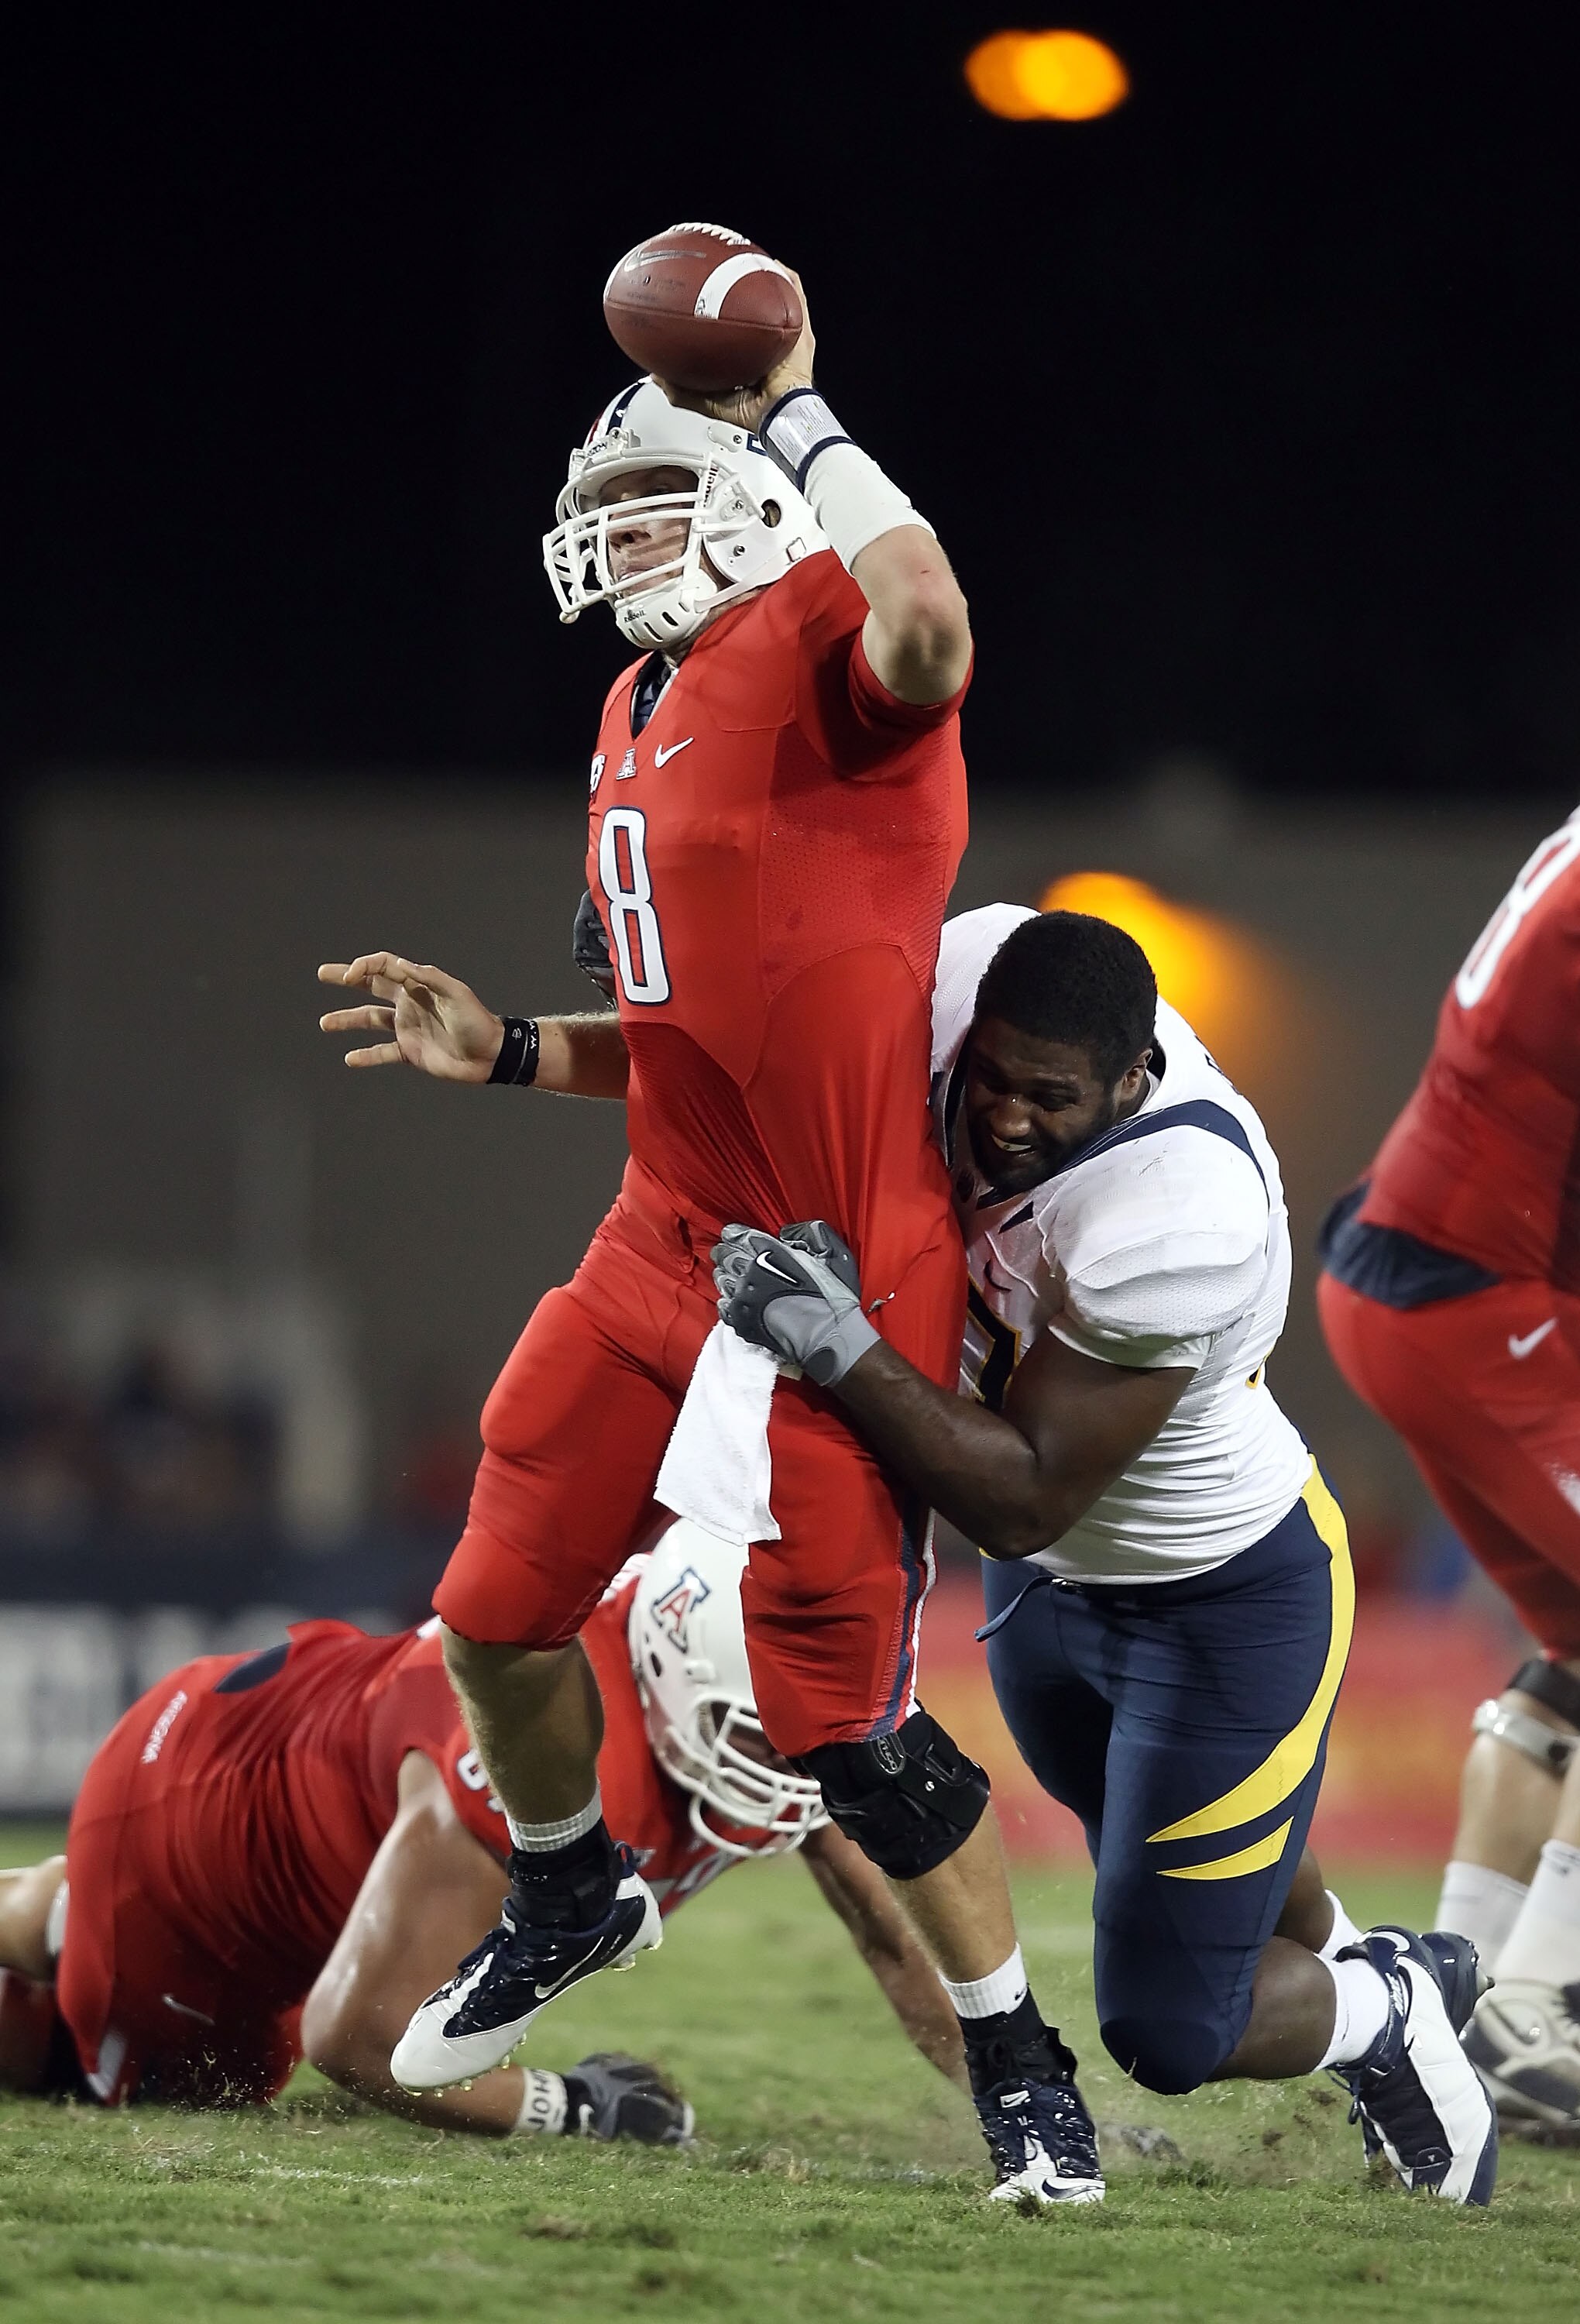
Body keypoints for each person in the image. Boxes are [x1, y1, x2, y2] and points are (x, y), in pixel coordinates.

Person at [318, 262, 1103, 2205]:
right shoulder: (628, 699)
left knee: (839, 1721)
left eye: (651, 508)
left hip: (839, 1271)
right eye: (599, 524)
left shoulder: (840, 632)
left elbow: (928, 618)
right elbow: (688, 1027)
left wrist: (798, 409)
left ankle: (1021, 2061)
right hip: (666, 1234)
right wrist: (507, 1049)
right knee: (494, 1604)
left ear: (754, 499)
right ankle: (576, 1884)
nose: (617, 552)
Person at [710, 903, 1499, 2206]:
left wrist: (832, 1340)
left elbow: (1018, 1494)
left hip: (1217, 1605)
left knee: (1172, 2030)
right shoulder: (973, 973)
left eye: (1052, 1097)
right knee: (1190, 1864)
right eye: (994, 1078)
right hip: (1053, 1599)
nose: (1006, 1119)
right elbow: (777, 1023)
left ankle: (1392, 2006)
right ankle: (1376, 1992)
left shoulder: (1182, 1211)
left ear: (1135, 1081)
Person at [0, 1524, 965, 2130]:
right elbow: (360, 2040)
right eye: (769, 1738)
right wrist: (568, 2106)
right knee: (205, 2078)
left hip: (258, 1728)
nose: (797, 1768)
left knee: (88, 1925)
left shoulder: (737, 1704)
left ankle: (54, 1912)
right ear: (675, 1672)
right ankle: (64, 1927)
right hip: (187, 1864)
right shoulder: (549, 1765)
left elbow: (895, 1931)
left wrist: (1016, 2094)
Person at [1316, 807, 1580, 2131]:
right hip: (1474, 1295)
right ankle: (1543, 2004)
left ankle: (1463, 1999)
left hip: (1432, 1274)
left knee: (1568, 1663)